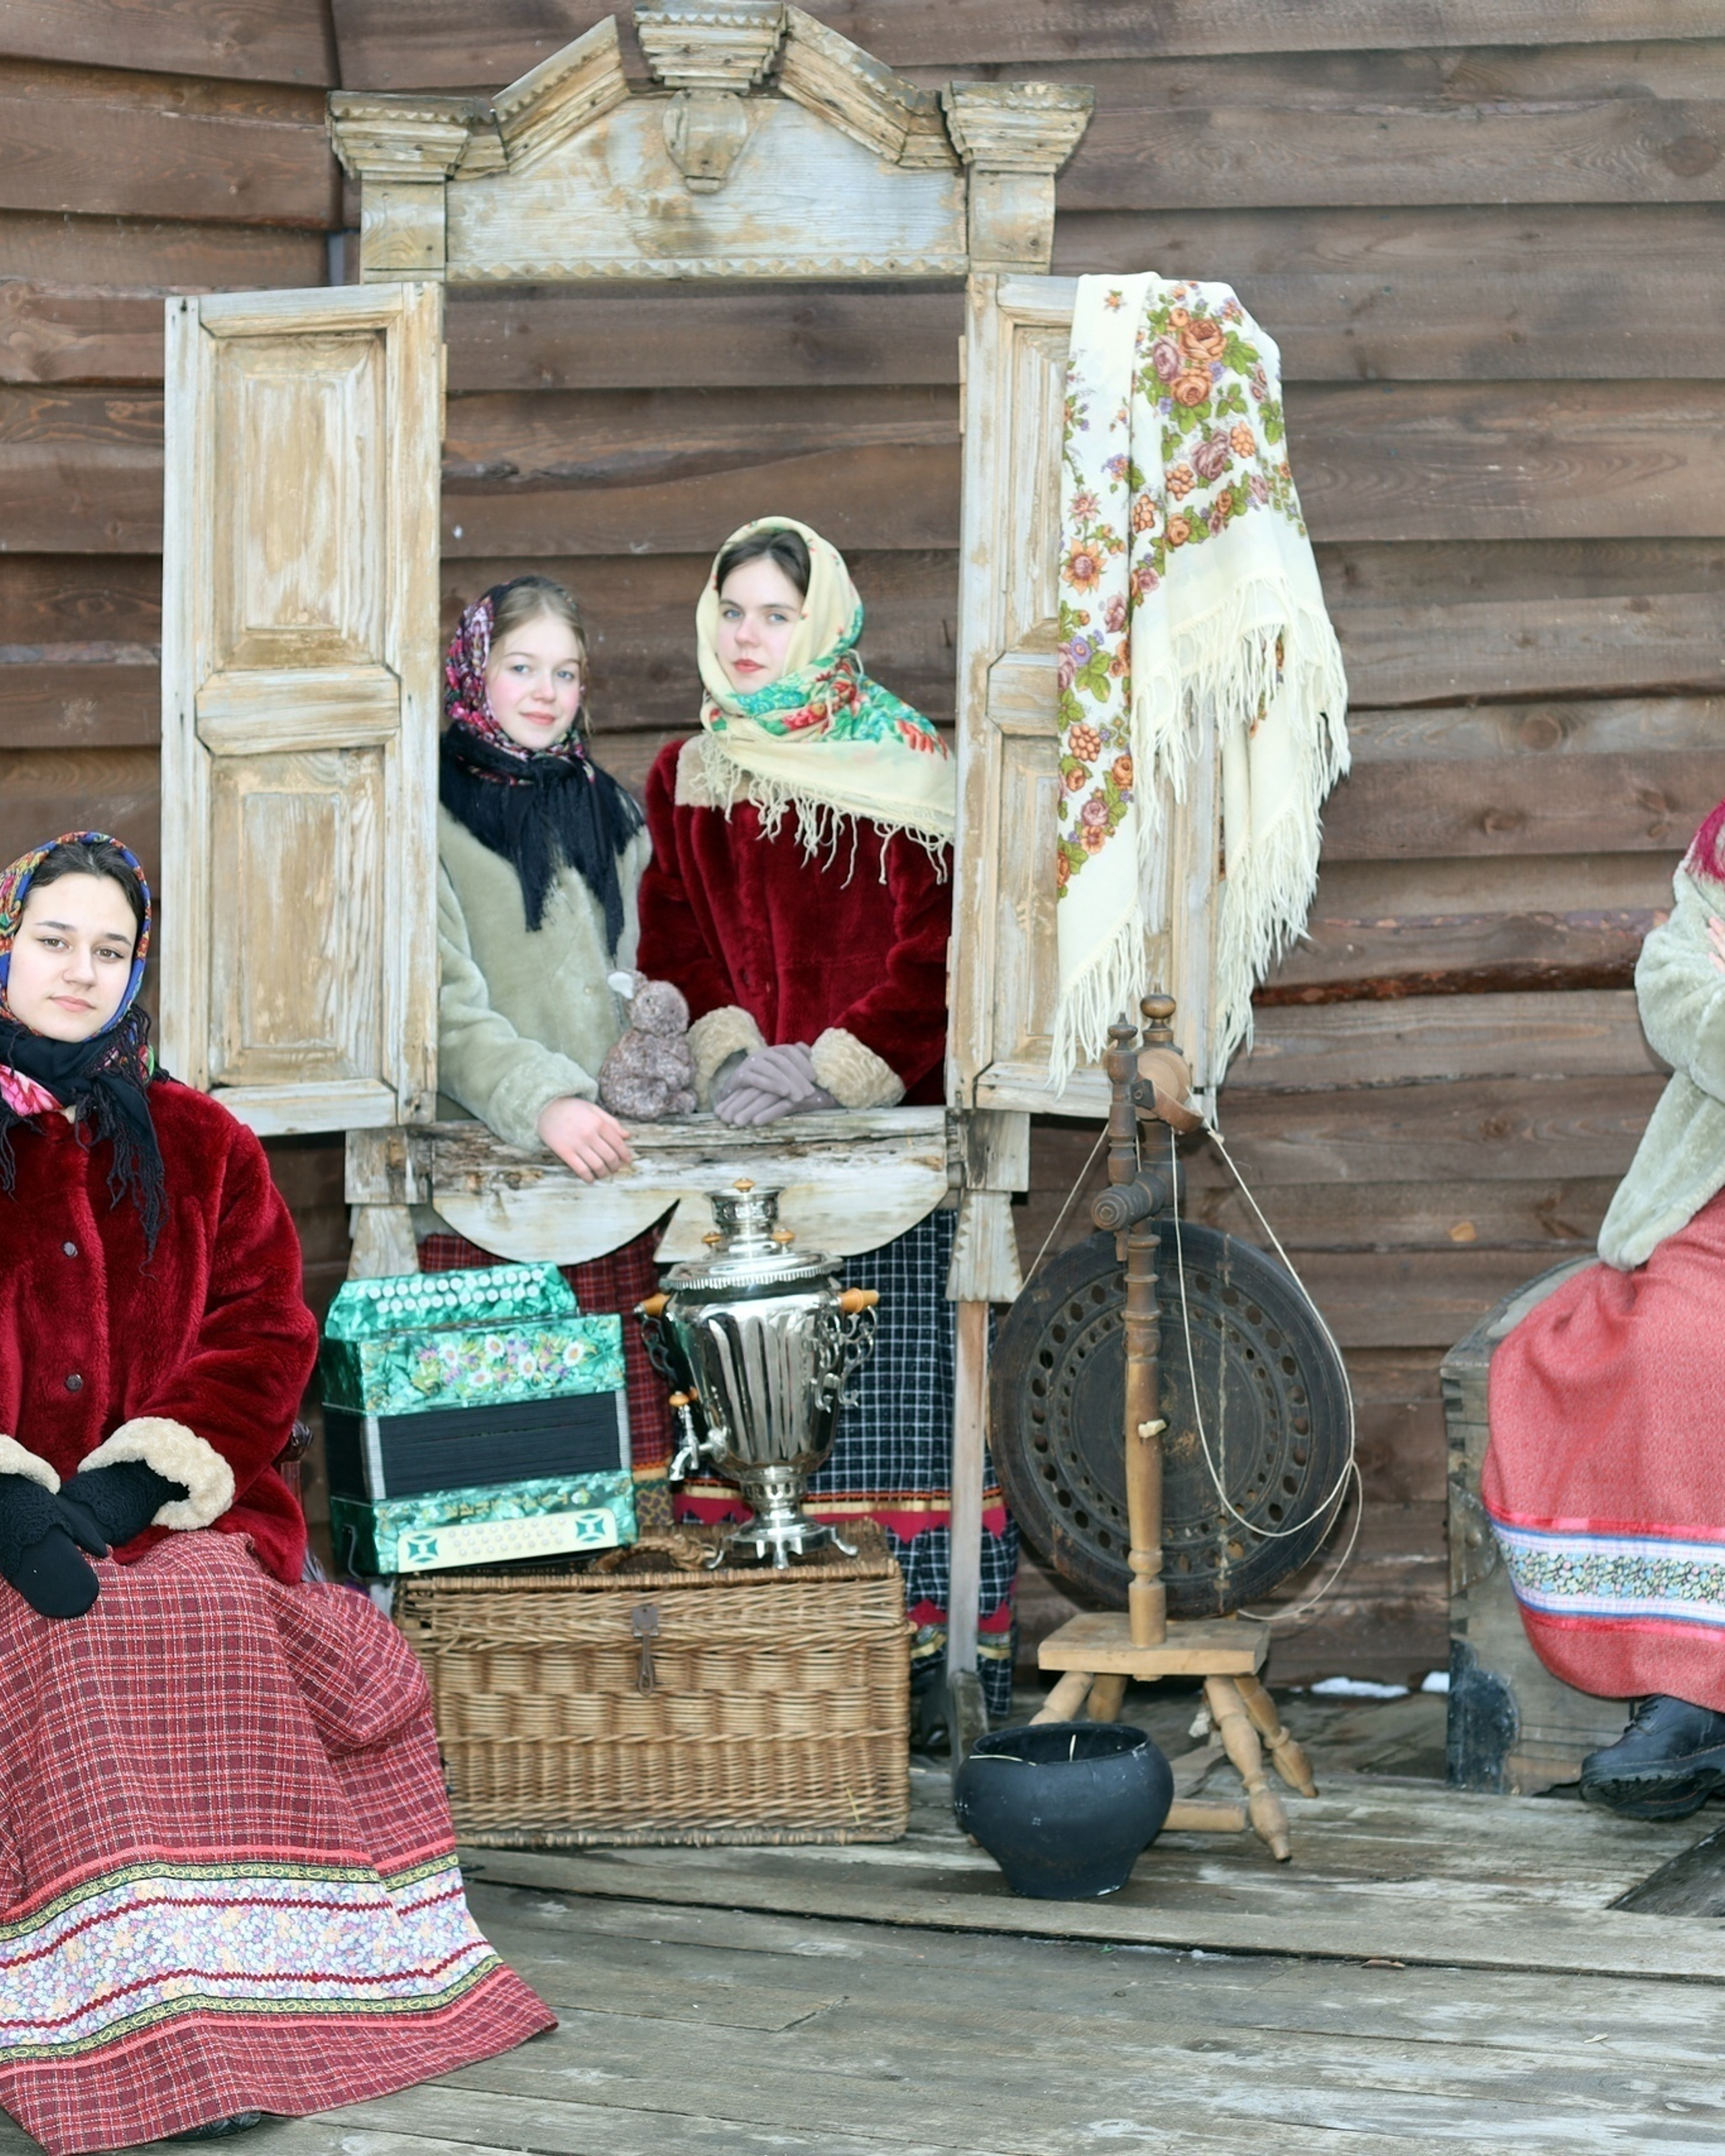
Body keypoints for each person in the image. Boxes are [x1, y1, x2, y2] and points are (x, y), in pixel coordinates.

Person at [0, 833, 552, 2153]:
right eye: (54, 940)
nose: (80, 971)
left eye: (110, 950)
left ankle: (245, 2003)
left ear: (139, 973)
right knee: (54, 1638)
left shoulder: (200, 1142)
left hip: (169, 1514)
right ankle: (125, 2019)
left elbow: (262, 1332)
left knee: (193, 1604)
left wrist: (135, 1483)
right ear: (4, 946)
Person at [635, 516, 1018, 1725]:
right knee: (747, 1405)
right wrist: (733, 1056)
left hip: (881, 1150)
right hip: (747, 1144)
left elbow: (941, 952)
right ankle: (768, 1676)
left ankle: (916, 1673)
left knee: (892, 1402)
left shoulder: (904, 761)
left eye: (777, 614)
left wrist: (831, 1066)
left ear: (828, 623)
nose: (749, 635)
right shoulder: (688, 773)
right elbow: (675, 936)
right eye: (732, 611)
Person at [1485, 797, 1725, 1818]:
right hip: (1715, 1210)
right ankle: (1690, 1696)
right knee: (1672, 1346)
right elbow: (1677, 989)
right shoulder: (1721, 858)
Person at [422, 575, 676, 1518]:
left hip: (613, 1197)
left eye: (565, 673)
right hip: (489, 1200)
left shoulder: (612, 815)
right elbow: (440, 1009)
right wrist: (544, 1100)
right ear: (472, 671)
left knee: (626, 1494)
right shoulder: (428, 813)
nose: (545, 692)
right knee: (509, 1493)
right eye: (521, 667)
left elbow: (642, 978)